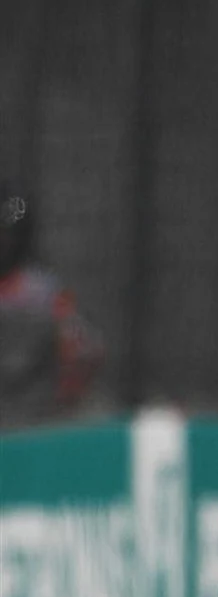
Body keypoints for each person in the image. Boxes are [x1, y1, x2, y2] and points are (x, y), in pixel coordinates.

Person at [0, 179, 105, 424]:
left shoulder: (44, 293)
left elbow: (84, 352)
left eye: (5, 234)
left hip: (32, 421)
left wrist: (61, 398)